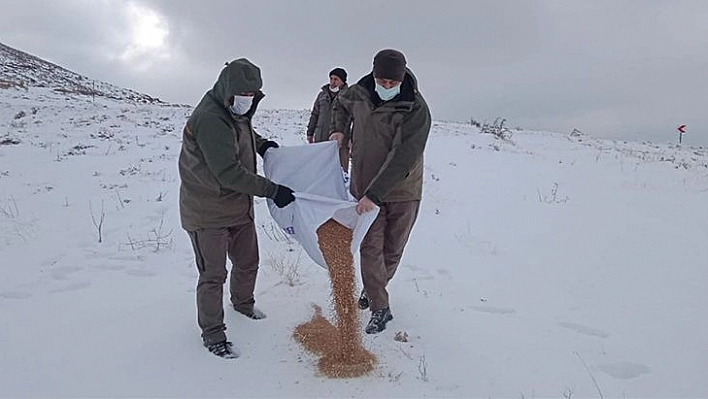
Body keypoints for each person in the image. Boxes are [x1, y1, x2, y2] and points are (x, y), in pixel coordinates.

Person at [178, 58, 296, 359]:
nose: (247, 101)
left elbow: (242, 131)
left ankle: (243, 304)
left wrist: (262, 144)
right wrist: (271, 190)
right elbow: (228, 173)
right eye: (243, 96)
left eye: (253, 96)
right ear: (228, 91)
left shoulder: (234, 111)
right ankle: (214, 334)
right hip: (207, 211)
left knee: (248, 261)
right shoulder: (210, 118)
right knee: (213, 274)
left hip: (237, 206)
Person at [329, 49, 431, 334]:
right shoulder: (359, 93)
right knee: (369, 246)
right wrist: (339, 130)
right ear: (374, 75)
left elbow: (404, 156)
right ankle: (380, 306)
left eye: (392, 83)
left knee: (392, 249)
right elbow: (339, 105)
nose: (386, 87)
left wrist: (375, 193)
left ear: (401, 79)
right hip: (363, 185)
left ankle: (374, 287)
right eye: (382, 81)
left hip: (402, 190)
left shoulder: (416, 108)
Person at [306, 67, 347, 144]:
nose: (332, 82)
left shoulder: (348, 96)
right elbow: (315, 114)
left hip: (339, 140)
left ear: (342, 81)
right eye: (331, 78)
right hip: (320, 138)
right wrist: (310, 133)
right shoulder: (322, 95)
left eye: (336, 79)